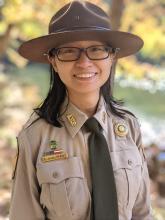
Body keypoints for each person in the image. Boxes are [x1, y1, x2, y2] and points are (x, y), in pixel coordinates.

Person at [9, 1, 153, 220]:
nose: (84, 63)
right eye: (69, 51)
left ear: (112, 56)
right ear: (53, 61)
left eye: (96, 49)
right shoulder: (34, 137)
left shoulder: (129, 127)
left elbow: (142, 214)